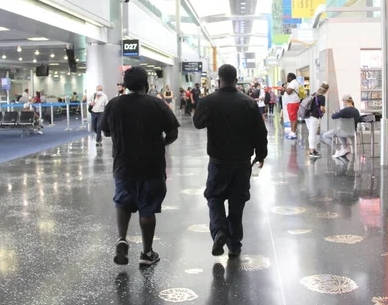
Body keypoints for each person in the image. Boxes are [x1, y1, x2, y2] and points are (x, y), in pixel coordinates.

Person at [101, 67, 180, 267]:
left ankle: (121, 239)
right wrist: (161, 143)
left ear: (125, 85)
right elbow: (173, 132)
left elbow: (106, 132)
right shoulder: (157, 104)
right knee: (148, 209)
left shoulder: (113, 105)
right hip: (151, 166)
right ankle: (146, 253)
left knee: (123, 201)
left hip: (123, 165)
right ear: (146, 84)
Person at [193, 64, 268, 258]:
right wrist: (261, 154)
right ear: (236, 79)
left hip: (218, 161)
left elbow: (197, 123)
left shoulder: (209, 101)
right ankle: (234, 245)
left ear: (219, 79)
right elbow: (260, 132)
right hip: (242, 162)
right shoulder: (248, 102)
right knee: (237, 202)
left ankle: (219, 231)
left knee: (214, 197)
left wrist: (203, 107)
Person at [307, 83, 330, 159]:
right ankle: (312, 151)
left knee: (312, 133)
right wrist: (325, 110)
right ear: (326, 90)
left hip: (308, 116)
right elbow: (321, 109)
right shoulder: (322, 97)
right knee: (312, 134)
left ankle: (313, 150)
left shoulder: (314, 94)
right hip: (314, 117)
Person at [284, 73, 301, 139]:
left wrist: (285, 88)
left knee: (293, 118)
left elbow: (288, 92)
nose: (287, 78)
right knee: (293, 118)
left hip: (292, 103)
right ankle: (292, 131)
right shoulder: (294, 82)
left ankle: (293, 132)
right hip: (292, 102)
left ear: (290, 77)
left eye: (287, 77)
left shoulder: (293, 83)